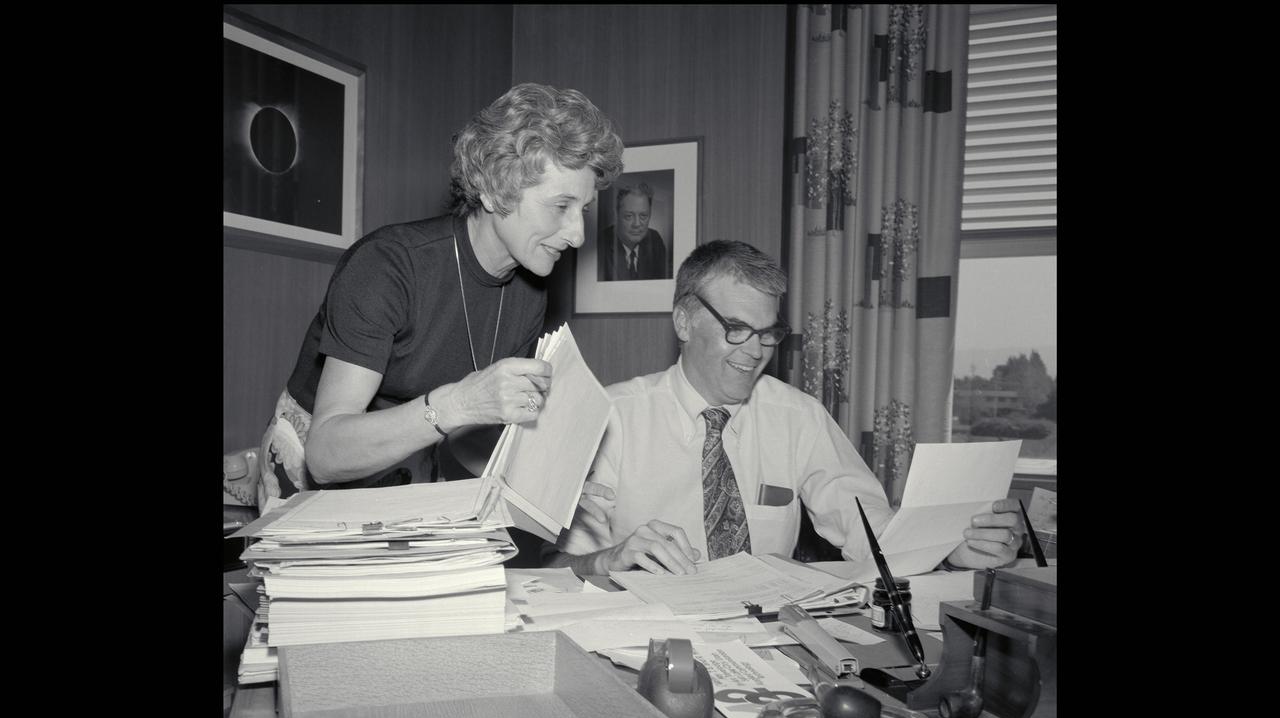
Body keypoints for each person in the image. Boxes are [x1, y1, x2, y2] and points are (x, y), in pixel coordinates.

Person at [545, 240, 1025, 576]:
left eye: (768, 333)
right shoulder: (610, 416)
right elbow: (559, 568)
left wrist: (951, 548)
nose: (754, 352)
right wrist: (609, 560)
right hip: (644, 639)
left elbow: (868, 525)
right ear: (684, 322)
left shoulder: (799, 417)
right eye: (736, 327)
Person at [257, 83, 624, 507]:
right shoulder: (387, 265)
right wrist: (460, 403)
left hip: (409, 460)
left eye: (584, 211)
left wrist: (546, 482)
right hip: (308, 463)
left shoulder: (529, 291)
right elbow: (325, 455)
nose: (577, 235)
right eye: (560, 206)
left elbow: (474, 436)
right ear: (492, 189)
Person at [599, 182, 671, 280]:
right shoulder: (600, 243)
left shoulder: (655, 240)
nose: (637, 224)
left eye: (643, 216)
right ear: (616, 214)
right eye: (629, 216)